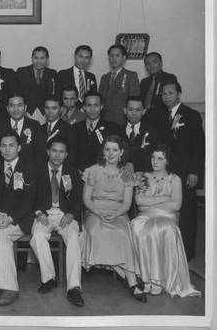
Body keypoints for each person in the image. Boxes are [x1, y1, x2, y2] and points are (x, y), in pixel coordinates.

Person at [81, 135, 146, 302]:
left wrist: (115, 214)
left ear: (121, 152)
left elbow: (127, 202)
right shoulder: (92, 170)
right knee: (96, 231)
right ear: (103, 151)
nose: (111, 153)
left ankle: (130, 280)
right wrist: (99, 212)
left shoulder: (126, 173)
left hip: (118, 211)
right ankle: (130, 280)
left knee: (123, 234)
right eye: (107, 149)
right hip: (95, 211)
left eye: (115, 150)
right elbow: (86, 199)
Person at [131, 145, 201, 297]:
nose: (155, 161)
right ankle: (146, 279)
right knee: (137, 226)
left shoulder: (175, 179)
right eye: (153, 157)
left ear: (167, 161)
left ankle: (159, 281)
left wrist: (151, 201)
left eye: (160, 158)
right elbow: (139, 201)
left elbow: (176, 205)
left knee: (162, 228)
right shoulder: (142, 176)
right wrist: (164, 198)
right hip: (146, 215)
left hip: (168, 216)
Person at [0, 131, 37, 306]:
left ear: (19, 147)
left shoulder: (29, 167)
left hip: (23, 218)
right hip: (2, 217)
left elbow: (30, 200)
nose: (7, 150)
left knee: (1, 235)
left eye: (11, 145)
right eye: (4, 146)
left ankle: (10, 288)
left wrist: (11, 218)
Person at [30, 138, 84, 306]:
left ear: (66, 154)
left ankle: (74, 287)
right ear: (48, 151)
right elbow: (29, 196)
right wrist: (38, 212)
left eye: (61, 151)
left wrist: (71, 213)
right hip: (43, 214)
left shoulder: (72, 172)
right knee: (37, 236)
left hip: (65, 215)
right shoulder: (37, 170)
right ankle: (49, 278)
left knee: (74, 238)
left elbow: (77, 199)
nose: (57, 155)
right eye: (54, 150)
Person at [159, 81, 205, 261]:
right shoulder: (162, 116)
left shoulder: (191, 115)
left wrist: (195, 172)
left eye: (170, 93)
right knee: (169, 211)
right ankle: (170, 251)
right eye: (163, 94)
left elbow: (199, 147)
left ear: (179, 94)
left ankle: (187, 253)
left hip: (186, 172)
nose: (167, 97)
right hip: (167, 173)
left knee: (186, 212)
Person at [0, 93, 46, 165]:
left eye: (19, 105)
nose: (16, 109)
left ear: (25, 107)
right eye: (12, 106)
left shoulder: (35, 126)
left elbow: (41, 153)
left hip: (29, 170)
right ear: (7, 108)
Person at [73, 92, 119, 172]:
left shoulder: (113, 128)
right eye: (89, 105)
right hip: (79, 173)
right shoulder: (74, 128)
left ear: (101, 107)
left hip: (103, 174)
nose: (92, 109)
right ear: (84, 107)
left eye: (96, 105)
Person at [98, 44, 140, 125]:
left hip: (121, 120)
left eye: (117, 55)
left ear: (123, 58)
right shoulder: (104, 77)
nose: (114, 59)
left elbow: (135, 101)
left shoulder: (131, 75)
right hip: (104, 119)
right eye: (111, 55)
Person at [15, 46, 58, 124]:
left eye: (42, 58)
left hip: (45, 112)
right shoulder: (22, 72)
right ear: (31, 58)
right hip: (27, 111)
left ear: (47, 59)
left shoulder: (52, 73)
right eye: (36, 58)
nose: (39, 61)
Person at [121, 96, 160, 173]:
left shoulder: (152, 131)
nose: (134, 113)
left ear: (144, 111)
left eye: (138, 110)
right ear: (125, 110)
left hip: (146, 175)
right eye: (130, 109)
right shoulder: (117, 131)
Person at [56, 45, 97, 109]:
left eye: (87, 58)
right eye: (80, 56)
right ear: (75, 56)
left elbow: (93, 97)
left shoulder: (91, 76)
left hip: (86, 112)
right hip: (67, 112)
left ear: (90, 59)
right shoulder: (62, 74)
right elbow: (58, 96)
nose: (83, 60)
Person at [41, 95, 77, 165]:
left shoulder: (69, 129)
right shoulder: (39, 129)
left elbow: (71, 156)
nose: (50, 111)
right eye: (47, 108)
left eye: (54, 108)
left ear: (61, 109)